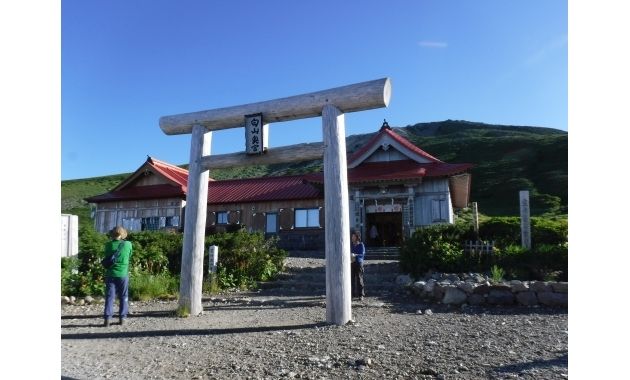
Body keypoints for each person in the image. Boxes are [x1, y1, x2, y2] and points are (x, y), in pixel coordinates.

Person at [103, 226, 133, 327]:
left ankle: (107, 319)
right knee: (123, 296)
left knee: (110, 297)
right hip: (123, 274)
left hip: (110, 274)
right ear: (122, 234)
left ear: (112, 234)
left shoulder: (108, 245)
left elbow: (106, 257)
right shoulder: (128, 244)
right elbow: (129, 255)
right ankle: (122, 318)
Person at [350, 230, 366, 300]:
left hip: (359, 263)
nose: (352, 237)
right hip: (352, 263)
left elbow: (362, 254)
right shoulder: (350, 245)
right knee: (351, 279)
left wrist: (355, 255)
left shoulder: (361, 245)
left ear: (357, 237)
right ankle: (351, 294)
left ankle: (361, 295)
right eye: (352, 236)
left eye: (353, 236)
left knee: (359, 279)